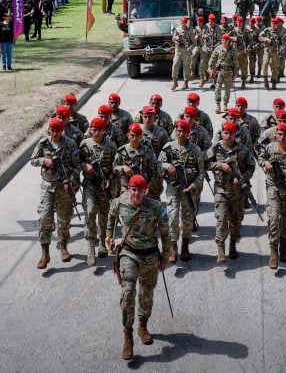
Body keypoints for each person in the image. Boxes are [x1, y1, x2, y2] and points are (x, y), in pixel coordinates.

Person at [105, 174, 171, 361]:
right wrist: (109, 236)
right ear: (129, 189)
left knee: (146, 293)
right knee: (127, 293)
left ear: (146, 191)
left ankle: (143, 325)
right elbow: (110, 216)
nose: (136, 193)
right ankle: (127, 336)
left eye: (139, 190)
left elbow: (166, 233)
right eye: (133, 189)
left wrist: (166, 255)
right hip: (129, 253)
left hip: (150, 255)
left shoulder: (156, 207)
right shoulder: (119, 202)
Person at [29, 117, 83, 267]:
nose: (55, 133)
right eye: (52, 130)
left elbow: (77, 166)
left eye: (57, 131)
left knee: (63, 220)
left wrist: (70, 181)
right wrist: (43, 161)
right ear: (49, 130)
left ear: (62, 130)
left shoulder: (70, 144)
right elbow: (32, 160)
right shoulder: (43, 143)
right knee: (45, 218)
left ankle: (63, 247)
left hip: (63, 188)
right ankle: (45, 253)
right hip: (47, 186)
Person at [206, 121, 255, 264]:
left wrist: (242, 178)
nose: (227, 136)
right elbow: (204, 163)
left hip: (238, 192)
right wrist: (220, 165)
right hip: (221, 189)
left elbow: (251, 167)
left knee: (236, 220)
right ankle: (220, 248)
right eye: (225, 133)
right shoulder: (216, 148)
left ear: (235, 134)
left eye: (230, 133)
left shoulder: (243, 149)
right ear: (221, 133)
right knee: (221, 218)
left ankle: (233, 244)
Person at [257, 123, 286, 269]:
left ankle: (283, 247)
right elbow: (260, 158)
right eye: (279, 134)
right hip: (273, 187)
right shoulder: (270, 148)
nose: (282, 137)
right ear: (275, 135)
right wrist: (266, 163)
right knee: (273, 217)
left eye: (284, 134)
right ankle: (273, 252)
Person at [159, 119, 204, 262]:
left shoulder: (195, 150)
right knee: (172, 218)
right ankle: (173, 248)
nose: (181, 133)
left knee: (187, 220)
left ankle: (185, 246)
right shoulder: (168, 147)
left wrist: (194, 185)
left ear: (188, 132)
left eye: (184, 131)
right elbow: (158, 163)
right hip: (173, 188)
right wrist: (168, 166)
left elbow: (201, 173)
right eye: (178, 130)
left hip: (188, 190)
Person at [79, 118, 116, 267]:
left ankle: (102, 243)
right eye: (92, 129)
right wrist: (84, 166)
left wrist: (110, 179)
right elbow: (76, 162)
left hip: (105, 186)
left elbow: (116, 165)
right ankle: (91, 248)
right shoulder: (84, 144)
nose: (94, 131)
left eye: (98, 129)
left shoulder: (111, 146)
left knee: (104, 215)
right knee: (89, 211)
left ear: (104, 130)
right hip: (90, 185)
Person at [208, 33, 238, 114]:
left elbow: (236, 62)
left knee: (227, 90)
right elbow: (212, 58)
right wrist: (210, 67)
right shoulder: (218, 48)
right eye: (223, 40)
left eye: (226, 40)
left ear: (229, 41)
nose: (224, 42)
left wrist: (235, 73)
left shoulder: (232, 50)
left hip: (228, 72)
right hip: (220, 71)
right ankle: (218, 105)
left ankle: (225, 104)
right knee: (217, 88)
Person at [170, 16, 195, 91]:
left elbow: (194, 43)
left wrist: (190, 47)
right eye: (182, 22)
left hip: (186, 51)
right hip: (178, 50)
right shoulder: (177, 30)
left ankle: (186, 82)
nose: (183, 24)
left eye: (185, 22)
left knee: (186, 67)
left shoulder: (190, 31)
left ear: (186, 23)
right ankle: (175, 81)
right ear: (181, 22)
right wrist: (176, 39)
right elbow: (173, 38)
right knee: (175, 65)